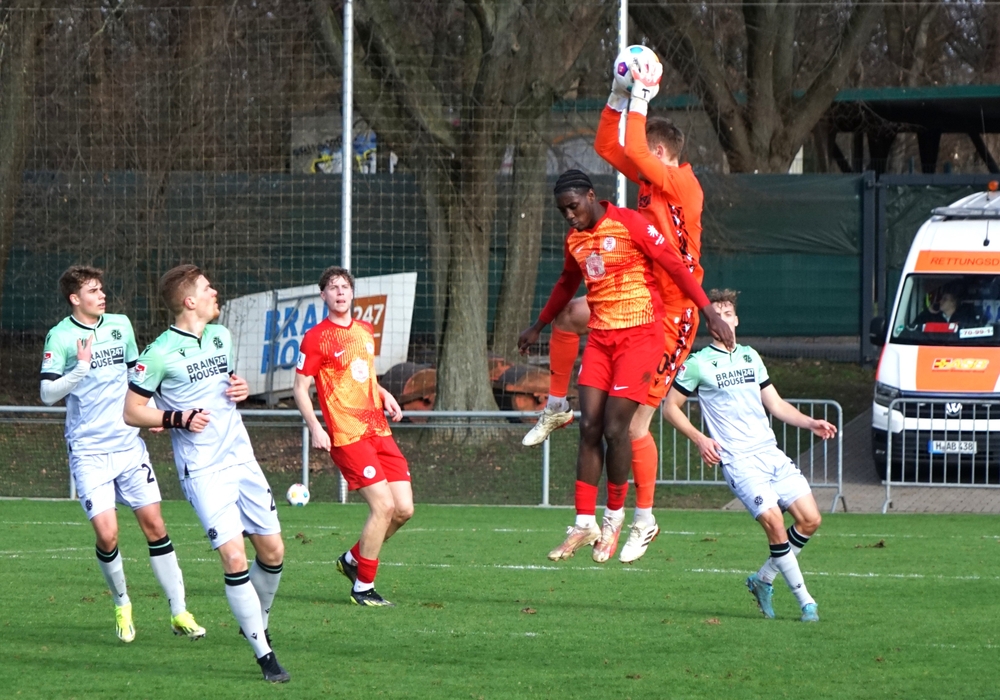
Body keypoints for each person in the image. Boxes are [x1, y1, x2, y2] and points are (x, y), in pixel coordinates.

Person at [521, 59, 713, 564]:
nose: (638, 159)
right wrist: (613, 95)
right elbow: (610, 146)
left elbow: (632, 151)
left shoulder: (680, 184)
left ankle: (644, 520)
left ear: (661, 154)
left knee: (631, 429)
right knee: (569, 316)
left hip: (671, 314)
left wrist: (640, 95)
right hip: (635, 299)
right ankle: (556, 405)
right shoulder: (651, 185)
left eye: (647, 151)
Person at [123, 264, 289, 683]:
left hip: (242, 458)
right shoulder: (158, 353)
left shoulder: (221, 337)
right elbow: (132, 411)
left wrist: (240, 388)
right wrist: (176, 417)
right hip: (203, 469)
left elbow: (225, 384)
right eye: (207, 287)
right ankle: (265, 655)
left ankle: (257, 621)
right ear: (189, 300)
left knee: (273, 552)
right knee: (234, 558)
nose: (215, 292)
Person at [40, 265, 205, 644]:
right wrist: (80, 369)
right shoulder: (60, 336)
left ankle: (179, 611)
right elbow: (47, 394)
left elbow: (138, 377)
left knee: (156, 526)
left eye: (101, 289)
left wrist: (157, 411)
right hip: (89, 451)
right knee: (108, 535)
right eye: (93, 291)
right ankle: (122, 604)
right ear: (75, 299)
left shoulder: (120, 325)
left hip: (129, 445)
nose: (102, 296)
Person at [662, 289, 836, 622]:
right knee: (775, 523)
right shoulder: (698, 363)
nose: (723, 320)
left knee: (811, 520)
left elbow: (776, 404)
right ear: (709, 324)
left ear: (736, 320)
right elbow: (670, 407)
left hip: (769, 452)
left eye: (728, 314)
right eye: (716, 316)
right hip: (738, 460)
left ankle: (763, 579)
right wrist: (700, 439)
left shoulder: (750, 356)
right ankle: (806, 602)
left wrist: (810, 422)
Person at [293, 265, 413, 607]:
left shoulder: (364, 330)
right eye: (333, 287)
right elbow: (300, 387)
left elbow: (362, 375)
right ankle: (363, 587)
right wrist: (315, 426)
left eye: (345, 286)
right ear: (323, 295)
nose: (340, 292)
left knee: (403, 510)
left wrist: (383, 393)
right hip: (347, 435)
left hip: (378, 429)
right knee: (384, 507)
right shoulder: (315, 337)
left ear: (352, 293)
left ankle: (352, 559)